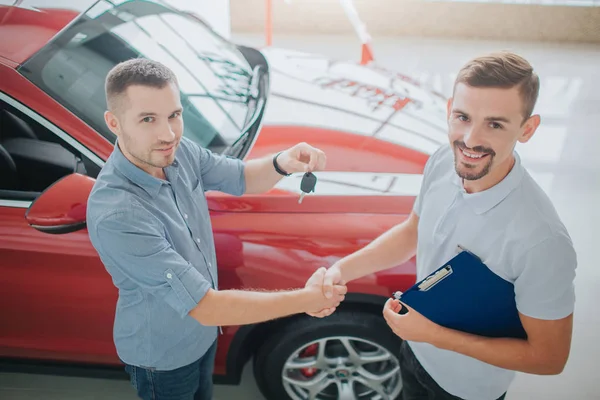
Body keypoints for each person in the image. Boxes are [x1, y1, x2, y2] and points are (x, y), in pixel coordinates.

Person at [317, 51, 577, 400]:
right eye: (463, 117)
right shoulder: (443, 159)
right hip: (414, 351)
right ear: (450, 108)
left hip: (467, 389)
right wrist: (340, 270)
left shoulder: (541, 240)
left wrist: (433, 335)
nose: (470, 140)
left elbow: (549, 358)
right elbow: (412, 232)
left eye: (495, 124)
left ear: (527, 129)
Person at [86, 58, 346, 400]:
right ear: (114, 123)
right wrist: (307, 300)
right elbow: (206, 306)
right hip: (162, 357)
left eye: (174, 115)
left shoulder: (177, 153)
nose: (168, 134)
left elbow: (241, 177)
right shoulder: (119, 214)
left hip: (203, 336)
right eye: (147, 119)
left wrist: (284, 162)